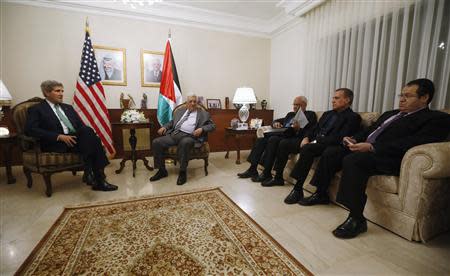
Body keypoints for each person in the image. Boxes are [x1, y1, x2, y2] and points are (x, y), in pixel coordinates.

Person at [315, 79, 450, 239]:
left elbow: (413, 143)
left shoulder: (436, 118)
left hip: (390, 157)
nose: (401, 99)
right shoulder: (390, 114)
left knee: (354, 160)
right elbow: (369, 131)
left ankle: (356, 218)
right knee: (333, 152)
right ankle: (320, 193)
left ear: (424, 98)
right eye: (401, 95)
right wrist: (353, 139)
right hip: (367, 150)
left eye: (408, 96)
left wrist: (373, 147)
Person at [25, 80, 117, 191]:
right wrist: (58, 136)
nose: (61, 94)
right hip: (56, 142)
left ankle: (90, 173)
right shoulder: (36, 109)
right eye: (57, 91)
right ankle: (99, 180)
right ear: (47, 92)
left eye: (62, 91)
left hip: (75, 140)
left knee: (88, 132)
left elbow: (81, 126)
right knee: (95, 142)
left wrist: (85, 135)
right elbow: (30, 129)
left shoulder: (68, 108)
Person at [282, 88, 361, 202]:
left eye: (337, 98)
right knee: (306, 147)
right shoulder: (327, 114)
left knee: (309, 149)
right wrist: (306, 137)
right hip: (318, 142)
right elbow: (314, 129)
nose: (333, 100)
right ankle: (298, 189)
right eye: (333, 98)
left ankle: (315, 193)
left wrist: (318, 139)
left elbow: (341, 137)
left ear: (347, 100)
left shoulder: (353, 117)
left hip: (331, 144)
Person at [238, 96, 317, 184]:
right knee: (261, 140)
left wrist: (298, 129)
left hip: (293, 137)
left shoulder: (310, 114)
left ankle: (267, 173)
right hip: (282, 134)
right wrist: (276, 123)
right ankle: (252, 169)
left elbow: (311, 130)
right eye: (294, 104)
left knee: (273, 139)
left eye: (298, 105)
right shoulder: (290, 114)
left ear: (304, 105)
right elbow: (276, 121)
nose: (295, 107)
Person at [150, 94, 216, 185]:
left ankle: (182, 172)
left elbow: (212, 126)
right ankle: (162, 171)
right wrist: (165, 127)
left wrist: (202, 129)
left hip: (190, 137)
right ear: (186, 103)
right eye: (190, 101)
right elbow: (172, 122)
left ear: (197, 103)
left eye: (194, 101)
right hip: (174, 135)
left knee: (185, 142)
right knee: (156, 142)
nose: (192, 103)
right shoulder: (180, 111)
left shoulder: (203, 114)